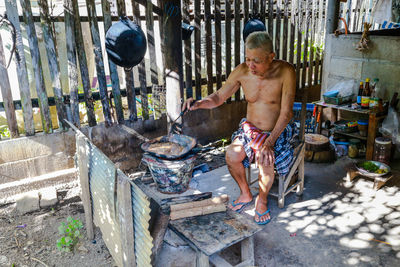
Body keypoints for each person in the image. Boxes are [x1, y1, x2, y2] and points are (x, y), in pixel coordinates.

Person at [183, 31, 297, 225]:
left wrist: (269, 143)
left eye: (257, 61)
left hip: (276, 131)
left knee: (265, 159)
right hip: (250, 129)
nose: (250, 65)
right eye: (247, 59)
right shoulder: (242, 71)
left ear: (271, 56)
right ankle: (246, 194)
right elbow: (219, 97)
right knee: (232, 155)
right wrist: (200, 103)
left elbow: (286, 114)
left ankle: (261, 201)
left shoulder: (286, 72)